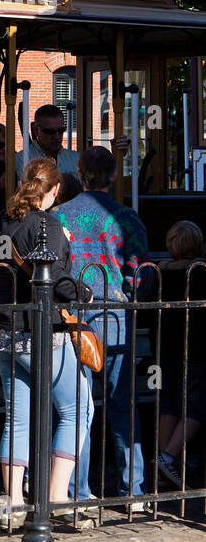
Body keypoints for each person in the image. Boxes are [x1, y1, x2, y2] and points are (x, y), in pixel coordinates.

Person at [0, 158, 93, 529]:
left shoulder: (3, 220)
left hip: (1, 331)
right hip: (38, 332)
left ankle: (13, 503)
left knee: (16, 418)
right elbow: (58, 277)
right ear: (52, 192)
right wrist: (85, 292)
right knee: (78, 408)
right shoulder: (47, 223)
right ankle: (56, 496)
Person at [56, 145, 151, 509]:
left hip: (72, 318)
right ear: (113, 176)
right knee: (122, 405)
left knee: (75, 409)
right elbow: (141, 274)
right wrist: (128, 293)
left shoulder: (59, 216)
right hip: (115, 316)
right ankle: (133, 491)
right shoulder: (127, 217)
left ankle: (76, 491)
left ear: (80, 175)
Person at [155, 221, 205, 491]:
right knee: (197, 406)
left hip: (164, 348)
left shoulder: (159, 272)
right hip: (195, 349)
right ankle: (168, 457)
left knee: (169, 403)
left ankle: (163, 462)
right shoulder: (200, 272)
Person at [14, 104, 80, 179]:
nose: (56, 136)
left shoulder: (76, 159)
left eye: (61, 130)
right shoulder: (21, 159)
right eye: (50, 131)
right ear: (36, 130)